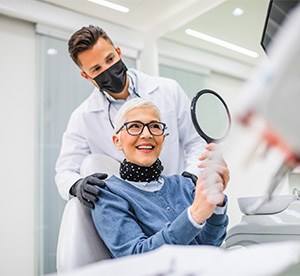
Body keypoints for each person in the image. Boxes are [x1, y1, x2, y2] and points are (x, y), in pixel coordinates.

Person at [55, 25, 225, 208]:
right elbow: (65, 171)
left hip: (181, 199)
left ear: (119, 53)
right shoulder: (83, 117)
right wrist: (76, 185)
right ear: (86, 76)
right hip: (133, 209)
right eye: (96, 69)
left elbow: (196, 142)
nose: (108, 70)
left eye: (110, 59)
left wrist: (190, 178)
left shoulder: (168, 90)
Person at [91, 98, 229, 258]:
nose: (147, 134)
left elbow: (210, 245)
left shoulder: (183, 185)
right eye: (134, 126)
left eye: (155, 126)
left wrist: (216, 204)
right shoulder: (108, 195)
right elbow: (136, 258)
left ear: (162, 138)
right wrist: (194, 215)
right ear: (117, 141)